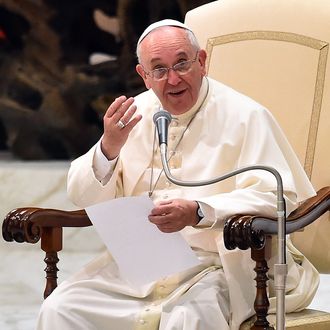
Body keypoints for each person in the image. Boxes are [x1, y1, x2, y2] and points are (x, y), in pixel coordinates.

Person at [37, 19, 319, 330]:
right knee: (61, 309)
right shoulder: (132, 117)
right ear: (144, 76)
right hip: (143, 267)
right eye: (158, 69)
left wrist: (200, 211)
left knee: (188, 317)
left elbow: (278, 197)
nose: (172, 79)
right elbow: (82, 195)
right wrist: (109, 148)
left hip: (220, 266)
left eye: (182, 64)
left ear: (201, 62)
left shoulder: (245, 115)